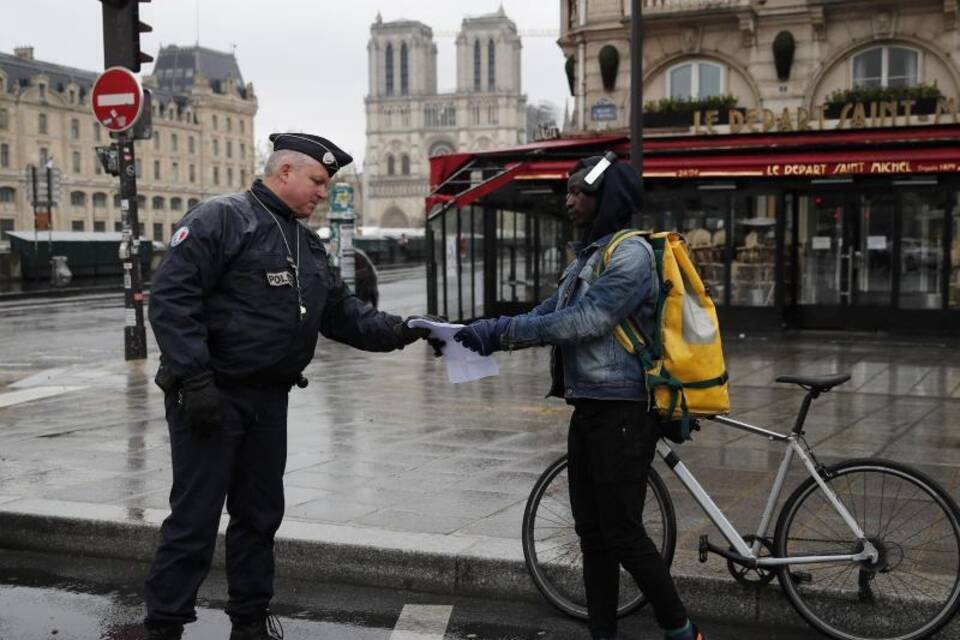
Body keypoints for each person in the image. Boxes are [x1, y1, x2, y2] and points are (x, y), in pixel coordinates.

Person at [144, 132, 431, 640]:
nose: (322, 192)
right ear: (285, 173)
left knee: (258, 518)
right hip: (212, 397)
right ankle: (165, 626)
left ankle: (250, 622)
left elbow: (341, 314)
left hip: (267, 401)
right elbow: (171, 300)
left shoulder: (307, 243)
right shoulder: (221, 219)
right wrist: (196, 379)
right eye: (317, 181)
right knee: (194, 520)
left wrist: (403, 329)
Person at [454, 156, 704, 640]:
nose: (568, 201)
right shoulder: (591, 254)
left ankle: (682, 630)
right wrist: (484, 328)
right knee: (591, 534)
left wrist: (503, 331)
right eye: (567, 192)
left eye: (578, 192)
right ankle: (602, 634)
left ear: (606, 197)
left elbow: (586, 321)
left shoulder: (628, 256)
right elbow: (551, 310)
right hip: (590, 406)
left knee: (622, 532)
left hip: (623, 411)